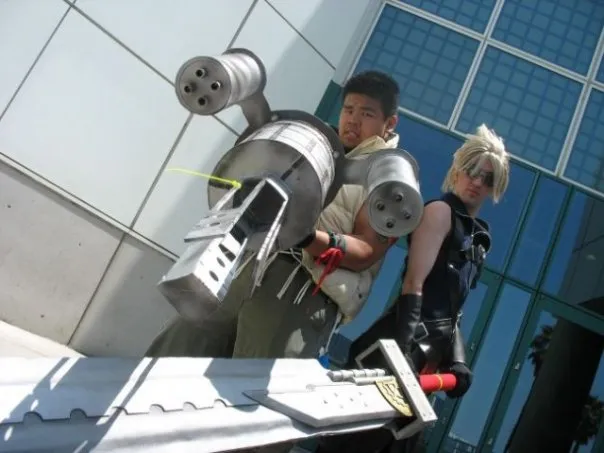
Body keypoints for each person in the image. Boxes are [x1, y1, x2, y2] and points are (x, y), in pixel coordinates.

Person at [146, 70, 402, 366]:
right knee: (173, 358)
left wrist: (304, 235)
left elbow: (366, 251)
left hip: (301, 292)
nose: (353, 120)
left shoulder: (389, 176)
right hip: (244, 267)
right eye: (349, 109)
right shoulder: (316, 146)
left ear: (389, 123)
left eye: (367, 113)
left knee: (246, 387)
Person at [315, 124, 511, 453]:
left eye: (488, 178)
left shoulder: (476, 236)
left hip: (426, 361)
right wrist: (403, 352)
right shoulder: (440, 212)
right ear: (458, 170)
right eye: (472, 170)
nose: (477, 182)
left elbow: (453, 310)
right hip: (399, 348)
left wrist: (458, 359)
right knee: (356, 444)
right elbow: (413, 283)